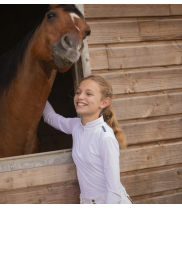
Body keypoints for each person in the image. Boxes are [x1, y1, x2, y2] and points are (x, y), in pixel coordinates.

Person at [43, 74, 133, 204]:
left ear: (104, 102)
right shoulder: (75, 126)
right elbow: (50, 117)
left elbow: (114, 191)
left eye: (88, 94)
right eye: (78, 92)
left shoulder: (105, 137)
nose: (80, 97)